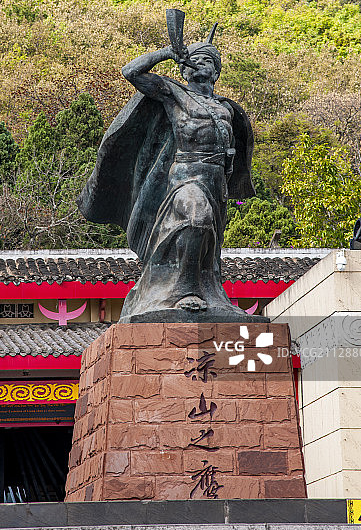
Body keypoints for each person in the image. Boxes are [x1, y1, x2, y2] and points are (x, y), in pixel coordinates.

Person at [78, 30, 256, 323]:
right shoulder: (174, 93)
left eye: (206, 60)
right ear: (184, 68)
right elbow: (131, 72)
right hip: (185, 176)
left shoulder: (227, 108)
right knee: (196, 218)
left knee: (209, 243)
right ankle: (185, 291)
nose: (200, 65)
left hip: (216, 181)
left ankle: (208, 292)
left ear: (216, 70)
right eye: (193, 60)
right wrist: (167, 53)